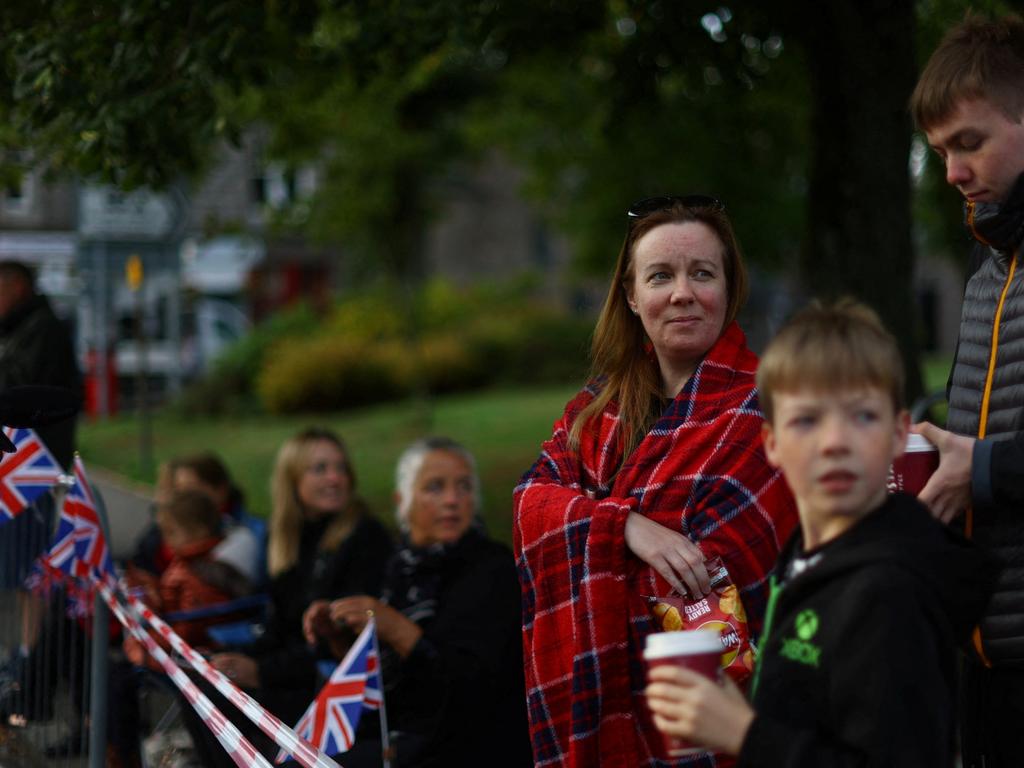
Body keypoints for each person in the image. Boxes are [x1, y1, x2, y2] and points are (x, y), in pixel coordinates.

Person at [644, 300, 996, 766]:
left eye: (862, 417)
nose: (834, 442)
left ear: (898, 434)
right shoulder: (806, 557)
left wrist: (744, 732)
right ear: (771, 443)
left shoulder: (888, 594)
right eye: (807, 420)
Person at [513, 196, 798, 767]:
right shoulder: (594, 411)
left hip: (715, 721)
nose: (682, 293)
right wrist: (629, 527)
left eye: (702, 274)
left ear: (729, 286)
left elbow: (699, 579)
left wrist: (585, 519)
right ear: (631, 295)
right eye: (661, 276)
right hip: (594, 712)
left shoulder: (767, 411)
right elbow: (527, 503)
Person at [909, 13, 1024, 767]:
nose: (951, 171)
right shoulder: (989, 271)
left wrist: (977, 470)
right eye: (941, 151)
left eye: (969, 143)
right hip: (987, 662)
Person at [303, 437, 530, 768]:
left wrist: (396, 629)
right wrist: (339, 636)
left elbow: (471, 688)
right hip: (399, 730)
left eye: (464, 487)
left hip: (465, 744)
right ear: (402, 502)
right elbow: (381, 675)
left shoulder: (492, 569)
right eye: (435, 488)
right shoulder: (397, 565)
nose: (453, 500)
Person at [193, 428, 392, 767]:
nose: (335, 478)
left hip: (332, 687)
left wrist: (261, 671)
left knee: (216, 699)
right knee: (202, 682)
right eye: (320, 469)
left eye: (341, 468)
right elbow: (277, 628)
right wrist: (229, 657)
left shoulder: (365, 537)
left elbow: (340, 644)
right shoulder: (285, 536)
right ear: (292, 479)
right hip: (293, 672)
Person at [109, 490, 251, 768]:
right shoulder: (197, 564)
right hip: (188, 648)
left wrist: (144, 643)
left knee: (118, 680)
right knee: (117, 675)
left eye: (171, 533)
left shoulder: (195, 573)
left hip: (192, 657)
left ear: (195, 531)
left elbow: (186, 631)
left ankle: (123, 757)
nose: (166, 542)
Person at [0, 260, 82, 725]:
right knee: (17, 567)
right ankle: (24, 661)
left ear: (17, 286)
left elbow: (21, 389)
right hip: (19, 461)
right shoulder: (22, 328)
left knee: (31, 569)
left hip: (32, 463)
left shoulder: (41, 329)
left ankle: (31, 665)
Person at [132, 452, 267, 590]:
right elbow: (140, 560)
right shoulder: (173, 523)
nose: (182, 496)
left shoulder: (250, 534)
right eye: (178, 488)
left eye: (190, 487)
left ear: (220, 490)